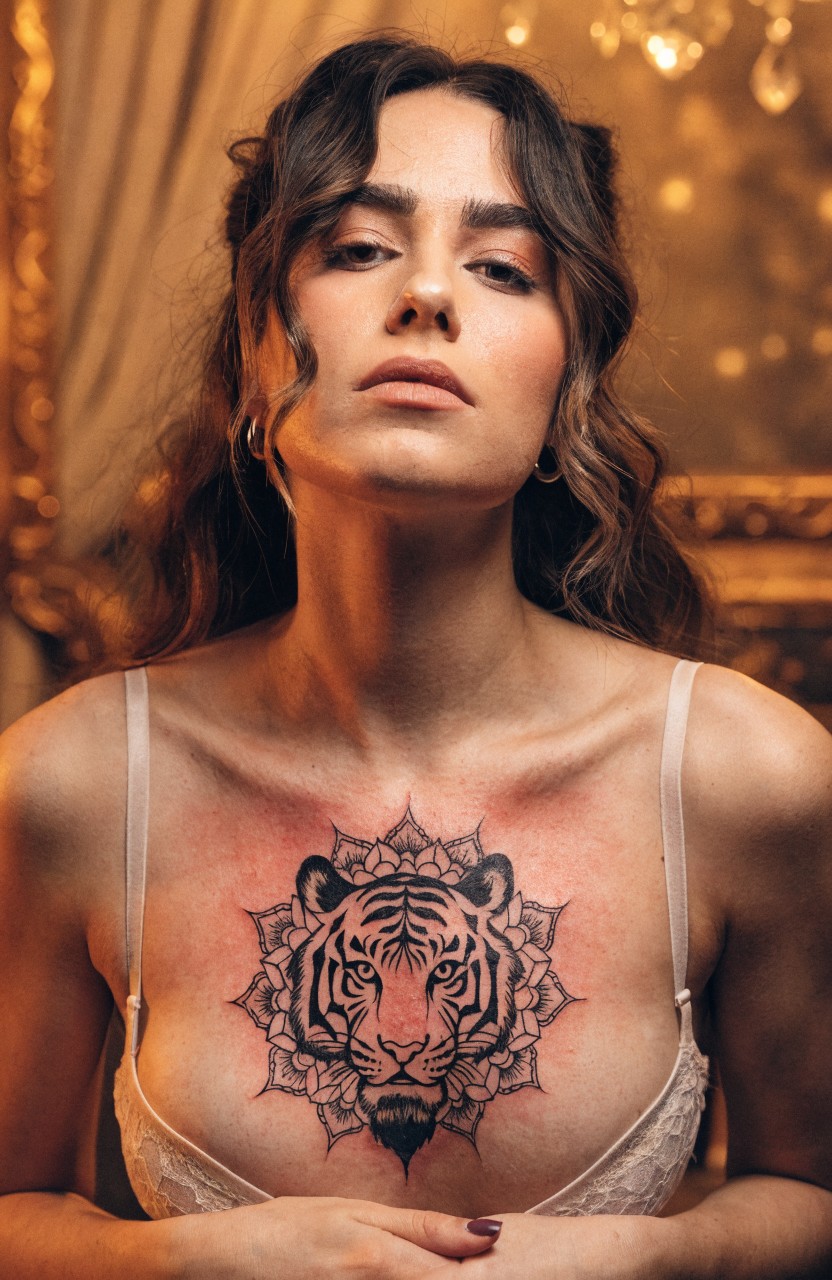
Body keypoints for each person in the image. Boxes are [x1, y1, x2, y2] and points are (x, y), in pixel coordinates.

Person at [1, 32, 830, 1280]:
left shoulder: (750, 776)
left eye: (503, 266)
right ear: (252, 354)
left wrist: (643, 1260)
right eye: (358, 248)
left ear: (568, 388)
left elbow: (808, 1190)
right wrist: (187, 1261)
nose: (428, 295)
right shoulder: (67, 783)